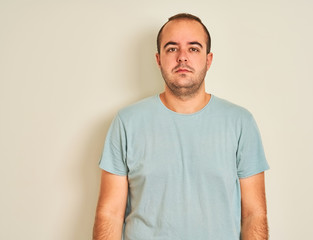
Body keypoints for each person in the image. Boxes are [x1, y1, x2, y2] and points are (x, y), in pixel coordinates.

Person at [93, 13, 270, 240]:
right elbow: (110, 214)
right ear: (158, 59)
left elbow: (254, 214)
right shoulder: (127, 122)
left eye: (194, 48)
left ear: (209, 59)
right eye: (172, 48)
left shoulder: (240, 122)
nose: (182, 57)